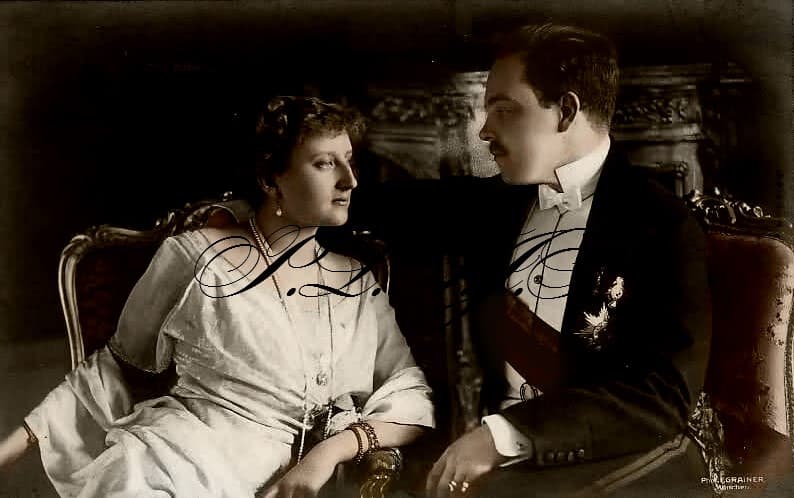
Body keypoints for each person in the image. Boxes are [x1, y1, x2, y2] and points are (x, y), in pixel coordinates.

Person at [0, 96, 434, 497]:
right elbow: (112, 371)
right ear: (271, 179)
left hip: (290, 480)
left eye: (349, 161)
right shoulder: (195, 257)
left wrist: (331, 451)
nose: (349, 180)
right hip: (174, 465)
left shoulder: (355, 281)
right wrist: (8, 449)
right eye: (324, 163)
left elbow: (410, 393)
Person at [358, 23, 711, 498]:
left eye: (504, 110)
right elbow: (376, 207)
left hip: (618, 458)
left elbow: (662, 397)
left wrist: (505, 436)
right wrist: (276, 198)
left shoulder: (660, 223)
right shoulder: (502, 203)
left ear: (566, 111)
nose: (485, 131)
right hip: (498, 463)